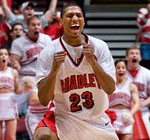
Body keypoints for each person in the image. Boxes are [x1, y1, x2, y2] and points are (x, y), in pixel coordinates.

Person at [33, 3, 119, 140]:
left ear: (84, 21)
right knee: (42, 136)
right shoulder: (48, 52)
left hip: (96, 118)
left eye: (78, 15)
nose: (74, 18)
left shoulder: (99, 47)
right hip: (64, 117)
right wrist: (54, 71)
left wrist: (93, 62)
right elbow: (44, 100)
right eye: (69, 16)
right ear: (60, 21)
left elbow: (110, 88)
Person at [10, 15, 52, 140]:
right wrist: (15, 63)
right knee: (10, 105)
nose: (36, 27)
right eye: (33, 25)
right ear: (27, 27)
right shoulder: (19, 42)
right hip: (26, 79)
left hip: (42, 78)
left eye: (38, 24)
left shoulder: (47, 39)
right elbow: (14, 59)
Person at [0, 47, 30, 140]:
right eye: (1, 54)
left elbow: (17, 90)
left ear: (8, 58)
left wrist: (25, 88)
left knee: (11, 137)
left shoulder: (13, 72)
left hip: (10, 102)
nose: (3, 56)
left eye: (5, 54)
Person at [109, 59, 139, 140]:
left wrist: (130, 114)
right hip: (112, 115)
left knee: (127, 138)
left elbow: (137, 103)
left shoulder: (131, 85)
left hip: (125, 115)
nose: (121, 69)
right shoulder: (109, 84)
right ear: (114, 69)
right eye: (118, 67)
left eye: (123, 67)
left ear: (126, 70)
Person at [125, 46, 150, 137]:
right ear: (126, 57)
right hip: (125, 110)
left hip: (142, 110)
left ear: (140, 57)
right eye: (132, 53)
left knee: (147, 132)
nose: (134, 55)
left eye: (137, 54)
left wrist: (143, 104)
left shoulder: (147, 73)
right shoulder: (121, 72)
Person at [136, 0, 150, 69]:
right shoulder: (143, 11)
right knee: (145, 62)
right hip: (146, 42)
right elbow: (140, 24)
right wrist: (148, 13)